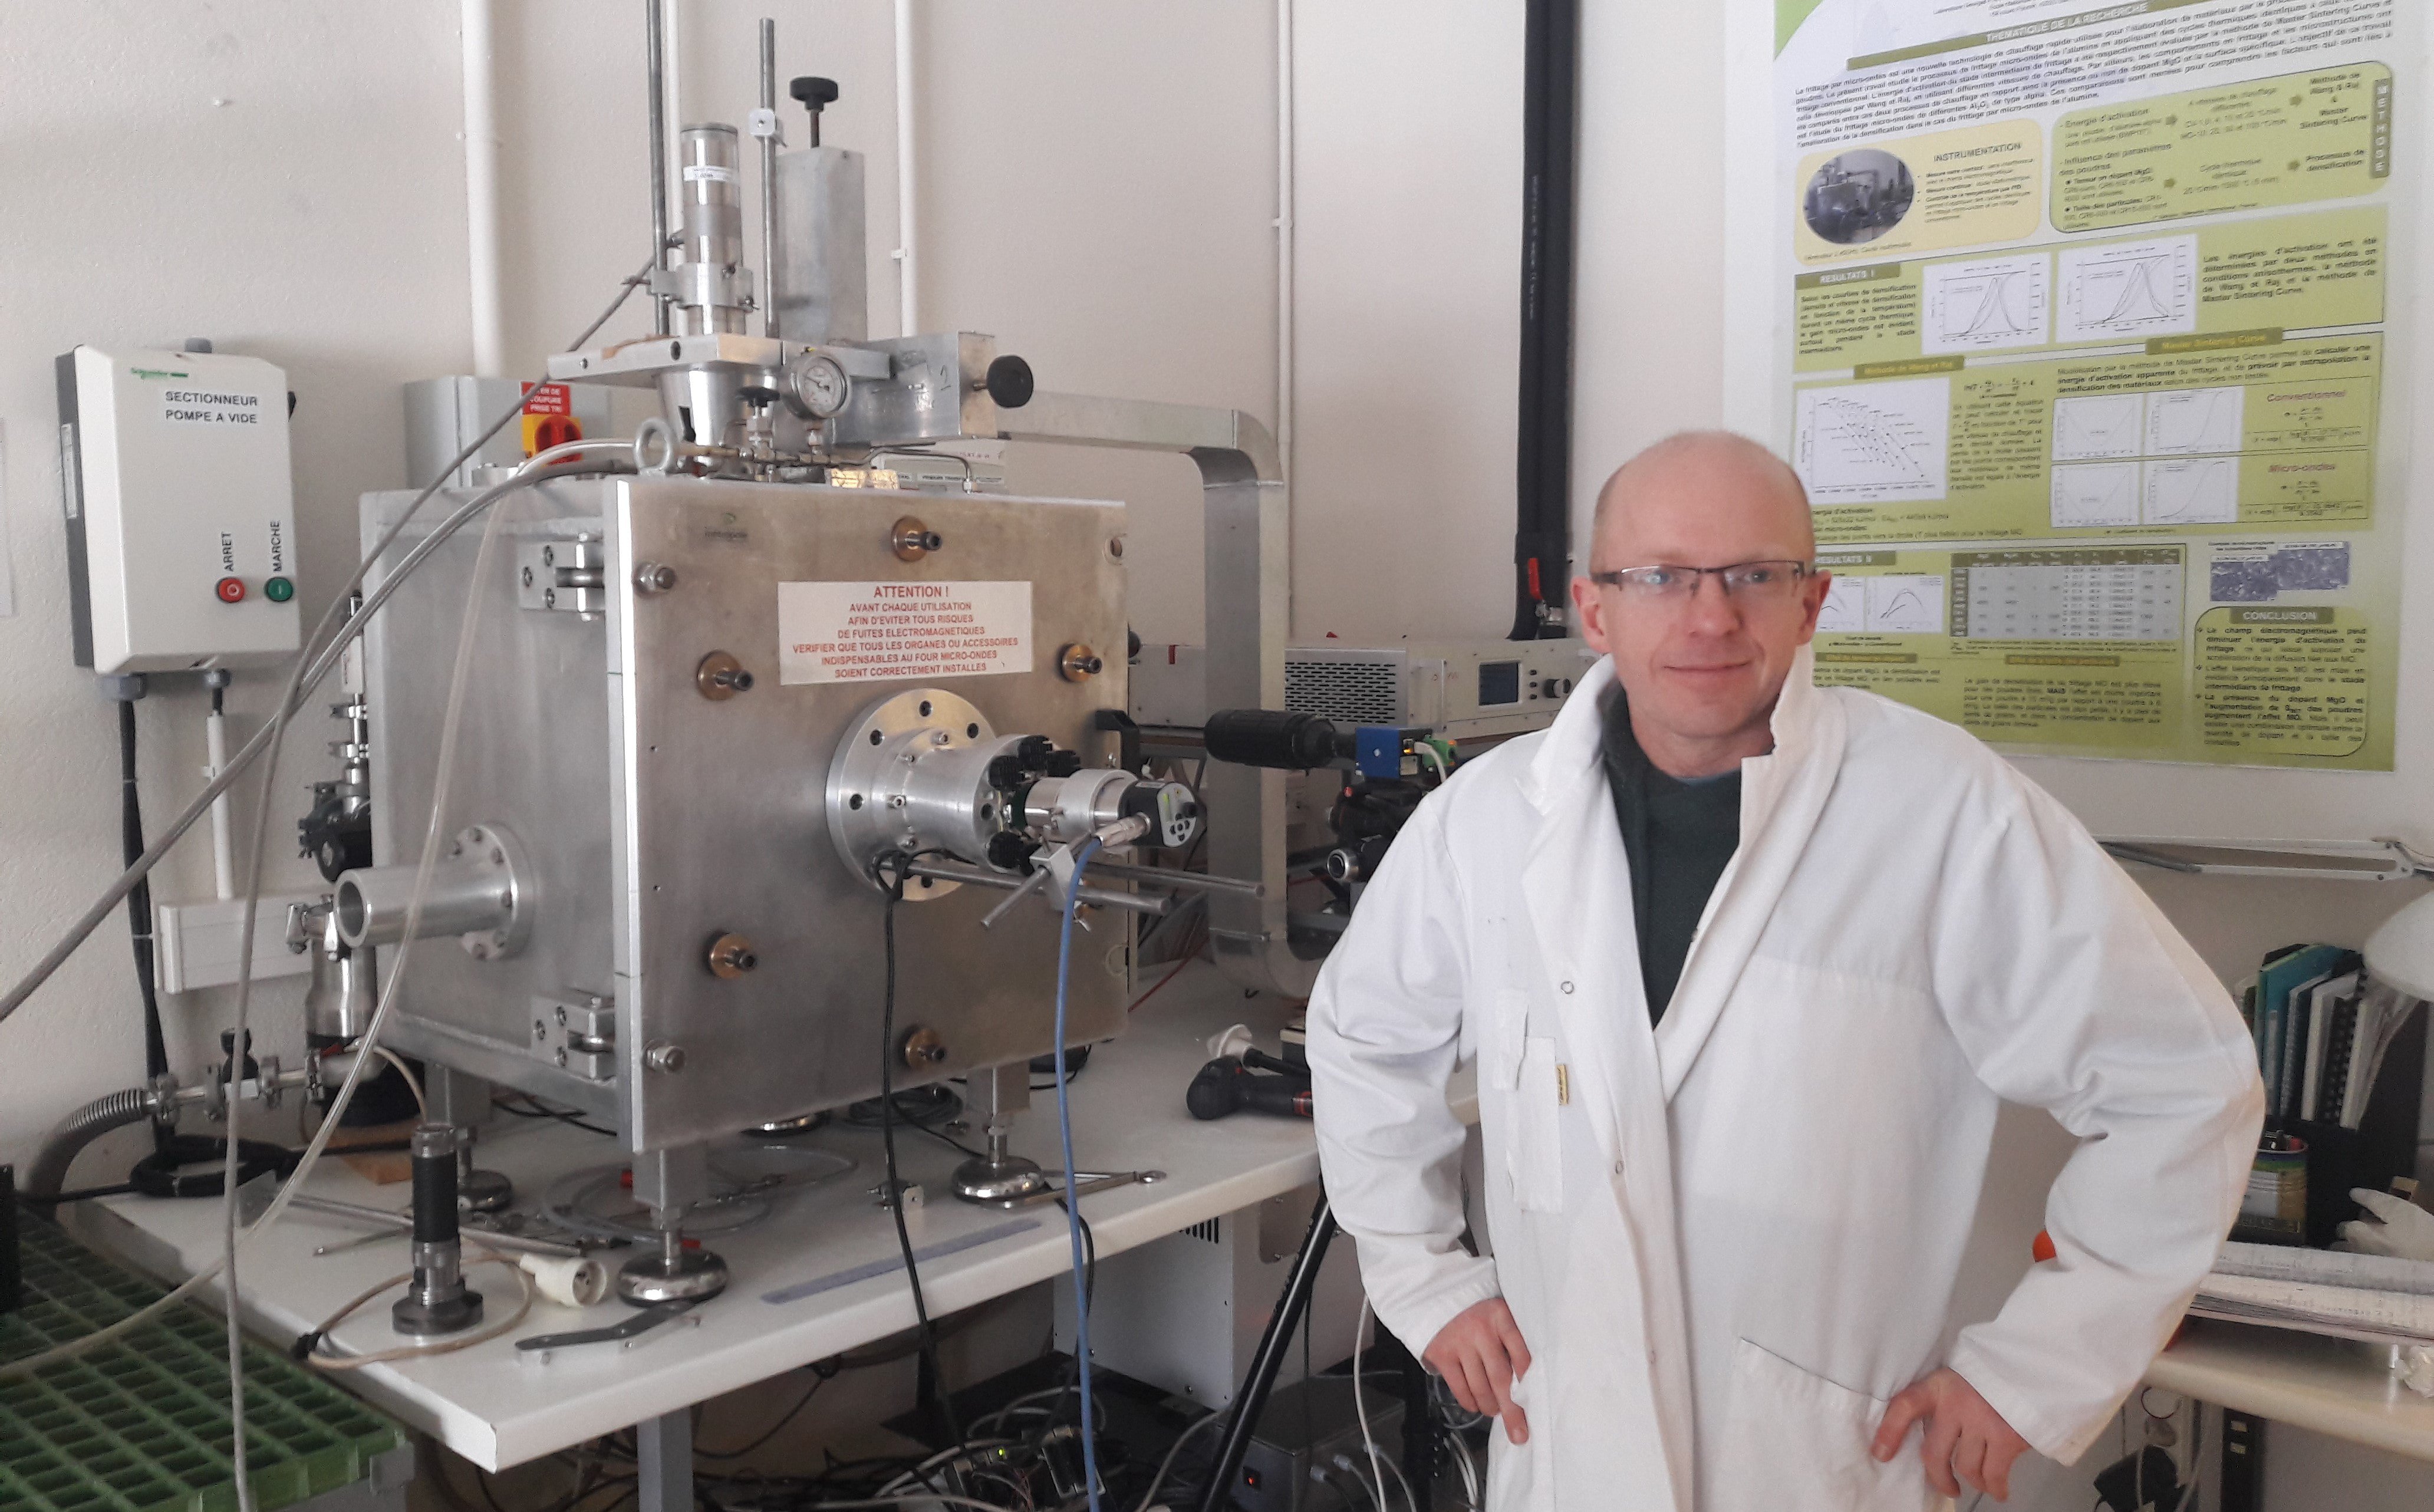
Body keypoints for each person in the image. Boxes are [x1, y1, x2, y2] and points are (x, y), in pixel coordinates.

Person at [1306, 431, 2264, 1510]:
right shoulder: (1480, 819)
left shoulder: (1943, 811)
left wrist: (2027, 1377)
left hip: (1817, 1465)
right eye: (1660, 577)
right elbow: (1360, 1037)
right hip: (1566, 1443)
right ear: (1594, 609)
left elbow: (2182, 1085)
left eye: (1754, 576)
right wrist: (1426, 1282)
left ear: (1810, 604)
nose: (1709, 616)